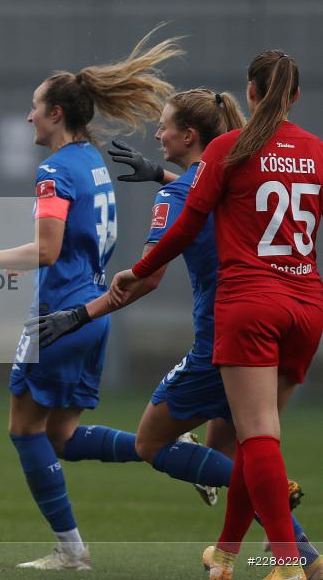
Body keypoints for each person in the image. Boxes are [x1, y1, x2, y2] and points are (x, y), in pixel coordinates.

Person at [27, 88, 321, 580]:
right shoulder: (242, 172)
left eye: (164, 126)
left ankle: (295, 549)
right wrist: (162, 173)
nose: (157, 133)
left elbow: (147, 277)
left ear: (189, 136)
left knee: (152, 443)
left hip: (222, 342)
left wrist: (80, 315)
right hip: (284, 323)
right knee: (232, 448)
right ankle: (277, 560)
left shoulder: (178, 195)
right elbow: (210, 193)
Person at [0, 28, 183, 570]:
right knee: (59, 436)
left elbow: (45, 249)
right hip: (94, 313)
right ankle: (176, 452)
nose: (28, 117)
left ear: (56, 113)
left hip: (59, 316)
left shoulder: (55, 170)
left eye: (34, 108)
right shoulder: (91, 160)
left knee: (22, 429)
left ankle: (71, 549)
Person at [109, 51, 323, 580]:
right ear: (295, 97)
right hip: (306, 305)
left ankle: (290, 564)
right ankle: (226, 556)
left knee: (256, 437)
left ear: (250, 93)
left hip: (250, 305)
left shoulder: (229, 148)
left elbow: (184, 228)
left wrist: (137, 271)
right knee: (257, 437)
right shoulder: (317, 152)